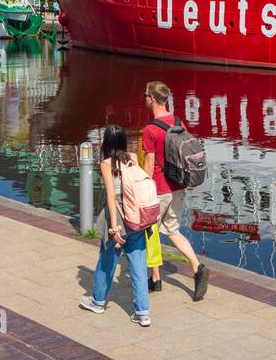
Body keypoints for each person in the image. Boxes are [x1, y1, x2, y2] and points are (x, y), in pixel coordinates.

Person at [141, 81, 209, 300]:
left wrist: (142, 188)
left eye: (145, 95)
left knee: (149, 231)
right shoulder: (179, 122)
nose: (144, 98)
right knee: (171, 230)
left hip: (159, 189)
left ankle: (155, 278)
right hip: (179, 186)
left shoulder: (150, 130)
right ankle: (197, 267)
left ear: (151, 98)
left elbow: (149, 166)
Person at [79, 125, 152, 327]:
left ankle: (98, 301)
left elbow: (111, 196)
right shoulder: (132, 158)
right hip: (137, 217)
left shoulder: (106, 163)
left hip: (118, 218)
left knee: (107, 260)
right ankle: (143, 313)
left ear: (106, 143)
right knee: (138, 265)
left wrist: (114, 227)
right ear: (122, 141)